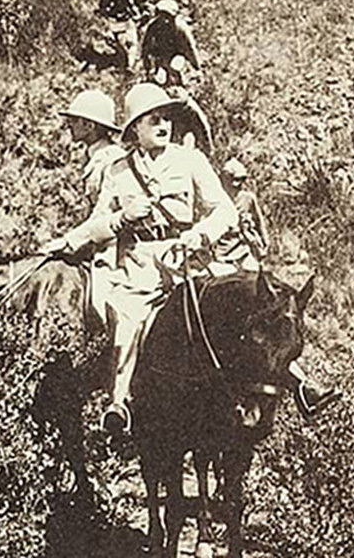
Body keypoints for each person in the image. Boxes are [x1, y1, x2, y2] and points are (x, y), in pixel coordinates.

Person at [43, 83, 237, 433]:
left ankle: (293, 383)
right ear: (135, 128)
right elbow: (97, 223)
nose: (164, 125)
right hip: (139, 267)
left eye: (167, 119)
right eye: (154, 120)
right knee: (127, 320)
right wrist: (120, 219)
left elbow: (225, 210)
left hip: (189, 260)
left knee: (245, 300)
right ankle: (119, 403)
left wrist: (201, 234)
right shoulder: (118, 171)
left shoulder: (190, 160)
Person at [212, 158, 341, 418]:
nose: (239, 184)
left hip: (244, 262)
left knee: (277, 321)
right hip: (215, 264)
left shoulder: (248, 199)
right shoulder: (210, 197)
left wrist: (251, 236)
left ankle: (303, 386)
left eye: (242, 179)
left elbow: (264, 240)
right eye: (234, 179)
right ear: (222, 178)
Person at [59, 88, 125, 205]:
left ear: (89, 126)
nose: (69, 125)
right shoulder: (93, 157)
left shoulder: (112, 159)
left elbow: (112, 206)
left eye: (74, 120)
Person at [141, 0, 200, 79]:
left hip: (177, 56)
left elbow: (190, 47)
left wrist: (197, 66)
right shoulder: (153, 26)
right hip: (162, 57)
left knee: (176, 66)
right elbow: (145, 47)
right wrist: (147, 67)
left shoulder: (180, 28)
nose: (165, 20)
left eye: (168, 16)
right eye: (162, 16)